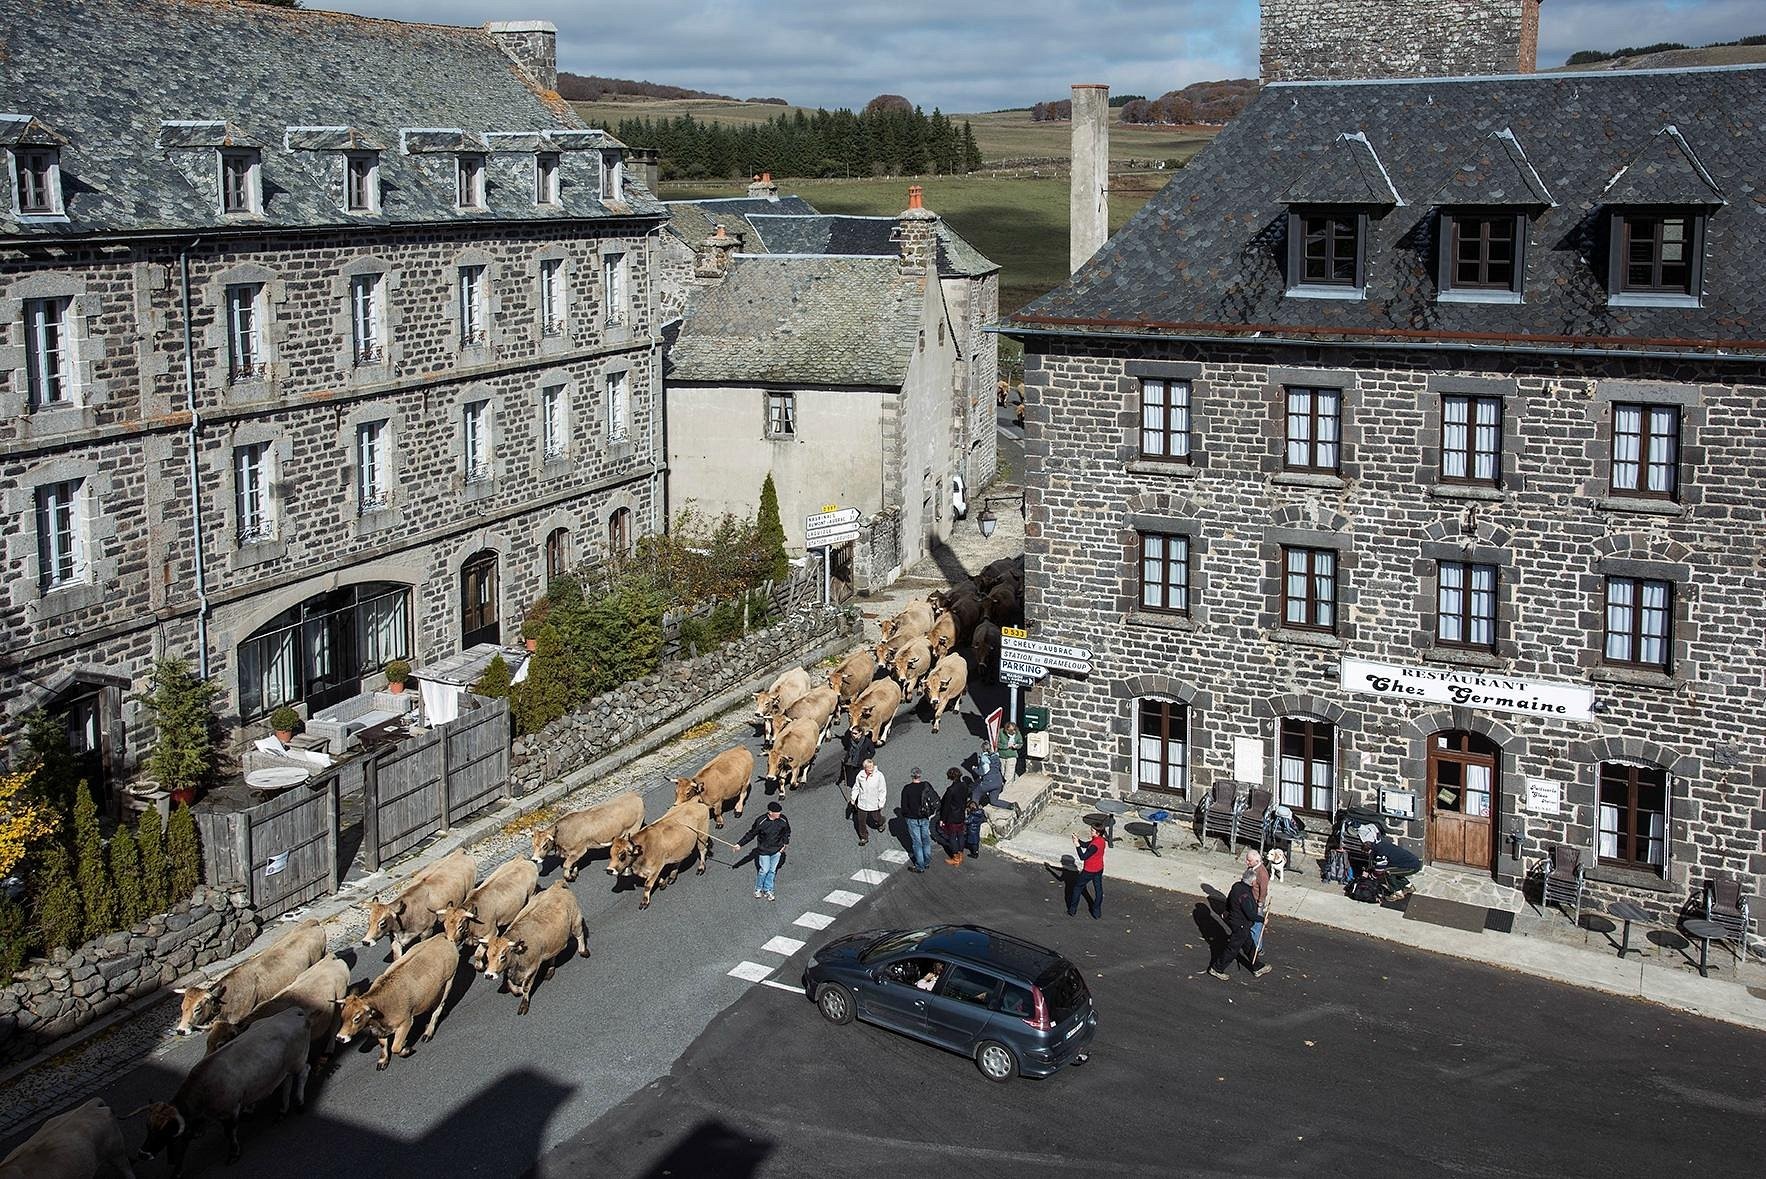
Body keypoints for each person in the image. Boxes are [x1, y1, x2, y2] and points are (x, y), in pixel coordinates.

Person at [1210, 875, 1271, 979]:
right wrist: (1262, 920)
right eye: (1255, 881)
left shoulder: (1236, 886)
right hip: (1241, 925)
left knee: (1249, 945)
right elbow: (1250, 914)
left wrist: (1226, 910)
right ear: (1252, 882)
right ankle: (1217, 968)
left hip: (1238, 923)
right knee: (1233, 949)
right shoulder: (1245, 895)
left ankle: (1257, 967)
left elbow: (1229, 900)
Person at [736, 801, 791, 902]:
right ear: (770, 812)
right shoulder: (761, 821)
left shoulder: (783, 819)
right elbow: (751, 834)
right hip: (764, 851)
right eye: (777, 812)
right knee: (764, 870)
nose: (779, 814)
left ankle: (768, 890)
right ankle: (758, 889)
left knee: (772, 870)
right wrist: (740, 844)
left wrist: (785, 844)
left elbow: (787, 832)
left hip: (777, 850)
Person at [898, 766, 940, 873]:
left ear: (912, 775)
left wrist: (906, 815)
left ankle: (919, 865)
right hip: (924, 817)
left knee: (917, 842)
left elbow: (904, 807)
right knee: (925, 839)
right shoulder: (926, 786)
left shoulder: (907, 789)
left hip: (912, 818)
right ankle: (926, 861)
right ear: (920, 775)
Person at [1068, 821, 1106, 918]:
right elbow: (1086, 844)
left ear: (1097, 832)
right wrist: (1078, 840)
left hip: (1089, 870)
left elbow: (1083, 857)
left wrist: (1077, 845)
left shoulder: (1094, 845)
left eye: (1092, 830)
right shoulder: (1101, 840)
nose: (1090, 831)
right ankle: (1096, 911)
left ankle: (1072, 909)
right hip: (1099, 868)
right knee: (1098, 890)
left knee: (1078, 887)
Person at [1243, 849, 1271, 968]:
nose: (1247, 862)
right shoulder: (1252, 869)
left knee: (1256, 926)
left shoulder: (1262, 873)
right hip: (1250, 900)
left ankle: (1258, 948)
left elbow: (1263, 891)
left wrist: (1260, 905)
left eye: (1249, 860)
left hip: (1256, 903)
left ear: (1257, 860)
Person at [970, 744, 1018, 814]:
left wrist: (974, 769)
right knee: (994, 801)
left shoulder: (984, 759)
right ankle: (1011, 806)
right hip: (998, 782)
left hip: (989, 782)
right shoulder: (996, 757)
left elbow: (982, 772)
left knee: (976, 793)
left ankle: (975, 812)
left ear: (983, 749)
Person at [1371, 835, 1423, 900]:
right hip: (1413, 863)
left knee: (1388, 872)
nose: (1362, 849)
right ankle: (1408, 887)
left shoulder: (1380, 851)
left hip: (1412, 867)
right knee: (1395, 871)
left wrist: (1372, 876)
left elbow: (1379, 870)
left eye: (1363, 846)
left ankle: (1397, 893)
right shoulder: (1382, 844)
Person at [849, 758, 887, 846]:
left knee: (876, 817)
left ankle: (881, 822)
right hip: (862, 803)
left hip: (874, 802)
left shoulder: (879, 776)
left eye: (872, 767)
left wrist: (881, 802)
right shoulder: (860, 776)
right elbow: (856, 787)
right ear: (864, 768)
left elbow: (882, 790)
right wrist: (853, 798)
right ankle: (864, 837)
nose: (871, 769)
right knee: (861, 820)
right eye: (869, 767)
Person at [938, 769, 969, 866]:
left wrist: (942, 819)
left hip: (952, 816)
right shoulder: (964, 785)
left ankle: (955, 857)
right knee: (960, 835)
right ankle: (960, 854)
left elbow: (946, 806)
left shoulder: (951, 790)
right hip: (961, 815)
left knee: (952, 837)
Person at [842, 727, 876, 792]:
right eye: (852, 733)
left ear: (860, 733)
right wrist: (845, 760)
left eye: (855, 733)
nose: (853, 735)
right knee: (855, 781)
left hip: (862, 765)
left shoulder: (867, 741)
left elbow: (872, 752)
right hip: (854, 763)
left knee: (863, 780)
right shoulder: (850, 741)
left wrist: (866, 759)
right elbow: (849, 752)